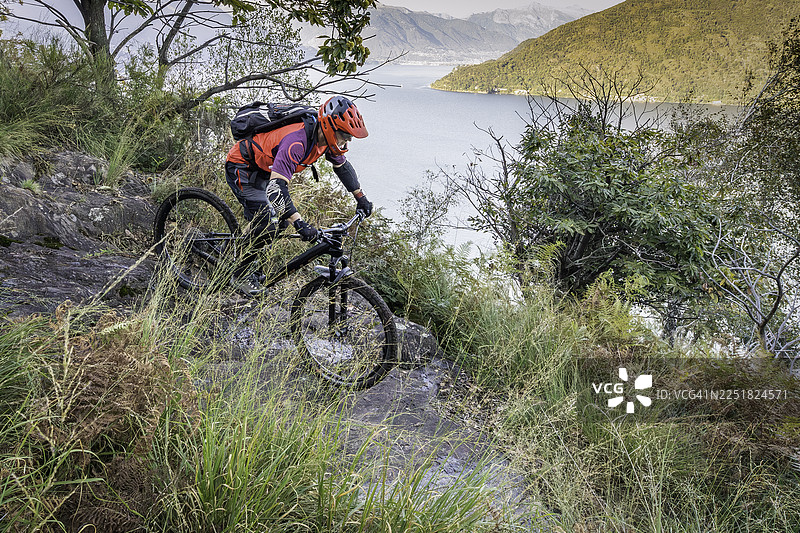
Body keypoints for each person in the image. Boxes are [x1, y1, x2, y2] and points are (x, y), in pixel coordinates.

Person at [224, 95, 373, 295]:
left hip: (265, 167)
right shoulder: (296, 142)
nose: (347, 140)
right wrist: (299, 222)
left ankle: (235, 249)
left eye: (350, 136)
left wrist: (360, 197)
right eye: (344, 134)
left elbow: (342, 167)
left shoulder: (326, 140)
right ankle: (238, 273)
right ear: (329, 127)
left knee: (279, 223)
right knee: (268, 223)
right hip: (243, 165)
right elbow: (276, 189)